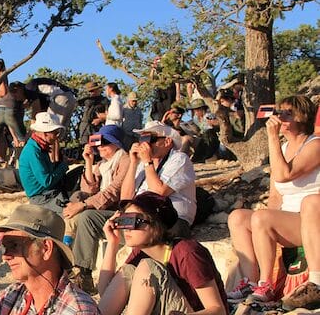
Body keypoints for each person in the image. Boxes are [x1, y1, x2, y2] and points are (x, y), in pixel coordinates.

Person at [97, 192, 229, 315]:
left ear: (155, 223)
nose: (126, 229)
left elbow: (218, 312)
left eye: (134, 221)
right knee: (128, 271)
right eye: (123, 220)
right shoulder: (140, 254)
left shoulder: (187, 252)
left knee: (147, 268)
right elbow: (106, 292)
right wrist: (112, 243)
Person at [71, 119, 197, 289]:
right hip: (138, 219)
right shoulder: (141, 164)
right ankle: (84, 274)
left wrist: (147, 163)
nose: (143, 144)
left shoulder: (180, 159)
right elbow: (125, 198)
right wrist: (134, 164)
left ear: (167, 141)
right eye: (141, 140)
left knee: (147, 236)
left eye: (149, 139)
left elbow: (158, 193)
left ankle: (147, 282)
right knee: (88, 218)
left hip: (168, 220)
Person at [227, 95, 319, 303]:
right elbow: (276, 193)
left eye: (288, 113)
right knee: (238, 217)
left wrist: (272, 137)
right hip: (289, 219)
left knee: (262, 218)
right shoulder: (283, 149)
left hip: (311, 219)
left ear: (303, 117)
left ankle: (265, 285)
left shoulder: (315, 145)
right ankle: (250, 282)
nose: (281, 117)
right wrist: (266, 219)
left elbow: (284, 174)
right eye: (280, 112)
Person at [62, 125, 130, 290]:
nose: (100, 146)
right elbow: (89, 190)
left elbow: (114, 191)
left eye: (105, 142)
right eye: (98, 142)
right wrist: (88, 161)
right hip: (103, 208)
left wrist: (83, 205)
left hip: (119, 209)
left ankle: (83, 272)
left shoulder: (125, 160)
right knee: (75, 206)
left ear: (117, 144)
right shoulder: (103, 164)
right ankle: (68, 263)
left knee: (85, 216)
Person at [18, 112, 69, 212]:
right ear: (46, 133)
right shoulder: (33, 151)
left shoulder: (38, 148)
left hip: (47, 193)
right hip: (42, 198)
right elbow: (47, 181)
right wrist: (63, 166)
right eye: (55, 133)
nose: (56, 136)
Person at [0, 56, 24, 170]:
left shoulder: (1, 75)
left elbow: (3, 91)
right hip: (4, 108)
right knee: (1, 135)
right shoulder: (1, 75)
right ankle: (1, 160)